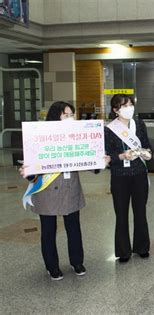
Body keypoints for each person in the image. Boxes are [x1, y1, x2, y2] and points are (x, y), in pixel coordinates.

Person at [19, 102, 88, 280]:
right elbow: (30, 164)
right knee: (48, 230)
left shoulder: (77, 136)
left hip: (70, 187)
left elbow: (89, 159)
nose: (70, 117)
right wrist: (28, 173)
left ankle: (77, 262)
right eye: (66, 114)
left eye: (72, 114)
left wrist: (100, 161)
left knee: (74, 228)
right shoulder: (40, 136)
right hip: (47, 190)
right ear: (56, 116)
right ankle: (52, 266)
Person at [104, 94, 152, 263]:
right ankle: (123, 251)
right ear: (116, 110)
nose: (129, 108)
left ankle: (142, 247)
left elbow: (147, 145)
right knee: (121, 214)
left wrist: (147, 153)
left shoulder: (139, 124)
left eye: (131, 104)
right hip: (119, 177)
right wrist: (122, 156)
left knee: (141, 212)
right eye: (124, 106)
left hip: (139, 174)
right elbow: (106, 156)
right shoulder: (109, 129)